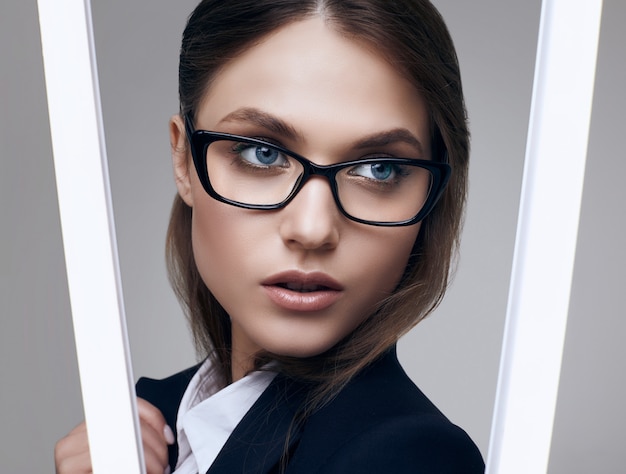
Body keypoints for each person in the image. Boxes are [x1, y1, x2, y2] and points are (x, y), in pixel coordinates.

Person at [55, 0, 484, 472]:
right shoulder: (146, 420)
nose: (312, 229)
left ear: (435, 189)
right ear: (184, 161)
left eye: (378, 169)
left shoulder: (411, 456)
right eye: (262, 154)